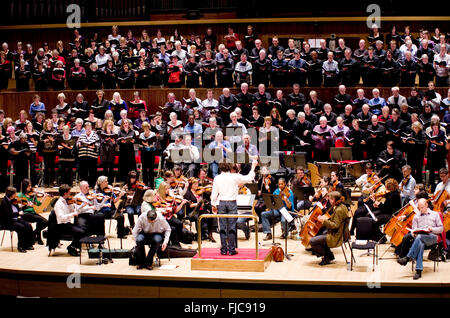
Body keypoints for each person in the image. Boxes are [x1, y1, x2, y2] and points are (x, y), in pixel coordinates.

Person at [211, 161, 257, 255]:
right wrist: (253, 167)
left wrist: (213, 204)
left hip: (222, 203)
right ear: (229, 168)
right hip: (232, 203)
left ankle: (224, 250)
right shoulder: (234, 176)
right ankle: (231, 250)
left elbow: (214, 193)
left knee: (222, 227)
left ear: (220, 169)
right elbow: (249, 178)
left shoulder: (217, 178)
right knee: (232, 227)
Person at [397, 198, 444, 280]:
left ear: (426, 205)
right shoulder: (416, 217)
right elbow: (413, 231)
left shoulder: (435, 214)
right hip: (421, 237)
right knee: (420, 241)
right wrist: (414, 233)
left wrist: (432, 229)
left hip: (432, 237)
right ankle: (418, 271)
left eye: (422, 207)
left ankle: (408, 258)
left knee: (419, 238)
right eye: (419, 208)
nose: (421, 209)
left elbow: (441, 229)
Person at [309, 191, 350, 266]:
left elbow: (335, 225)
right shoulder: (342, 206)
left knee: (312, 241)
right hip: (337, 232)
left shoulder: (339, 210)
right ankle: (329, 255)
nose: (329, 200)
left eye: (331, 199)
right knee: (318, 234)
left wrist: (323, 221)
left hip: (336, 236)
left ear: (335, 200)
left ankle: (328, 256)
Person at [53, 184, 86, 256]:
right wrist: (72, 214)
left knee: (84, 229)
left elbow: (74, 211)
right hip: (61, 226)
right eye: (69, 192)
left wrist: (80, 207)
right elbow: (60, 217)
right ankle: (71, 247)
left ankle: (73, 247)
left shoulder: (67, 202)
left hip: (67, 224)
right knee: (80, 232)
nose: (70, 194)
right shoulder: (59, 204)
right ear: (65, 193)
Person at [0, 186, 34, 252]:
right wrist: (18, 214)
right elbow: (8, 215)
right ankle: (20, 246)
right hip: (7, 222)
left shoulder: (12, 200)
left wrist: (27, 206)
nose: (16, 195)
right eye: (15, 193)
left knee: (28, 225)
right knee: (21, 227)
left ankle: (27, 244)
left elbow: (19, 210)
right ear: (11, 194)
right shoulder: (4, 202)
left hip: (14, 219)